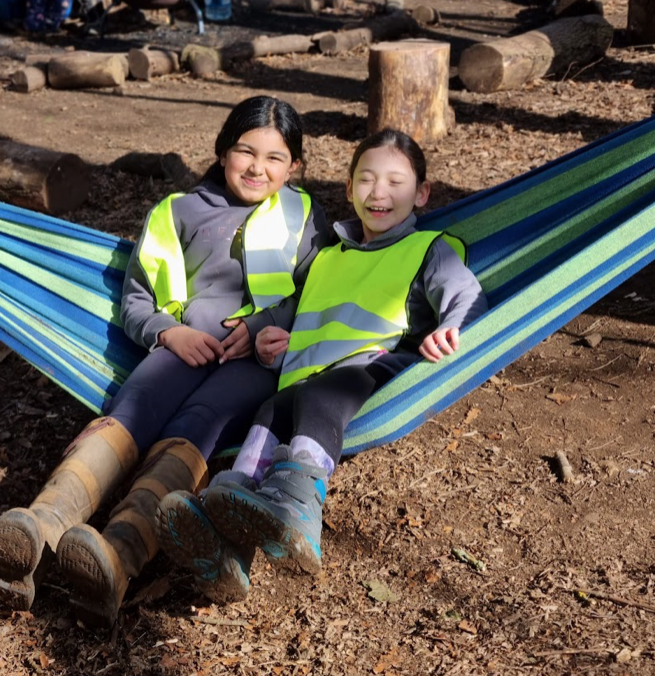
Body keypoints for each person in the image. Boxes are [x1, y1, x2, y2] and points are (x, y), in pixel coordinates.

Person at [0, 95, 332, 627]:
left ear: (295, 167)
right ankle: (41, 523)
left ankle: (118, 558)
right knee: (132, 413)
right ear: (220, 151)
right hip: (182, 347)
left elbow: (316, 292)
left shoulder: (303, 218)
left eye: (275, 157)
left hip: (251, 362)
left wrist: (262, 329)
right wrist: (171, 332)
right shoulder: (178, 212)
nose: (258, 167)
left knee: (198, 426)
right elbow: (137, 300)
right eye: (245, 151)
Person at [156, 128, 489, 601]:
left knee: (318, 395)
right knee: (270, 412)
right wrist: (279, 344)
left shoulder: (428, 248)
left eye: (396, 183)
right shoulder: (328, 257)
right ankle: (228, 537)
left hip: (371, 371)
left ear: (422, 193)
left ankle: (299, 508)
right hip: (305, 376)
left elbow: (466, 296)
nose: (380, 193)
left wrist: (448, 326)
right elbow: (317, 317)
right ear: (349, 188)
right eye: (367, 180)